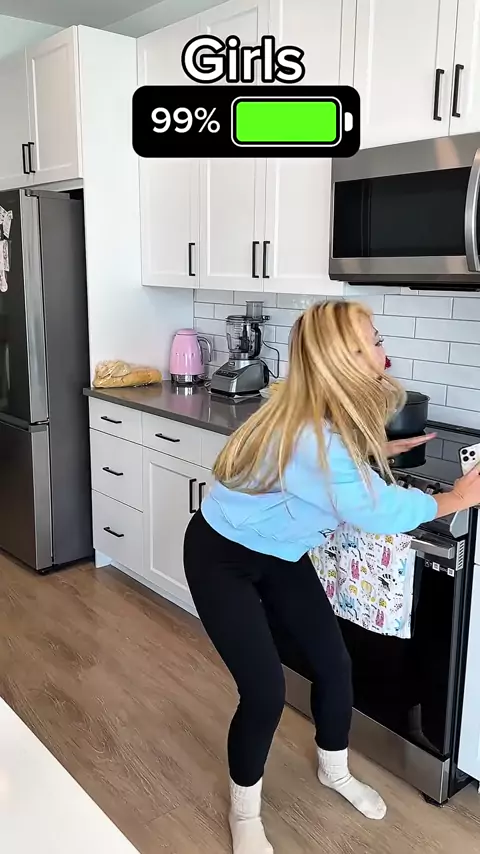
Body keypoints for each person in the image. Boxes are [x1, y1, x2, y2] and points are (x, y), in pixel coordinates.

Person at [183, 301, 480, 854]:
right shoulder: (309, 438)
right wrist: (457, 497)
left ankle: (334, 769)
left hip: (279, 552)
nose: (384, 351)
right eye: (375, 340)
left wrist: (378, 448)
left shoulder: (316, 410)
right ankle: (244, 812)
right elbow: (376, 509)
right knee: (265, 692)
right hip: (223, 557)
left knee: (334, 664)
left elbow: (331, 457)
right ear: (344, 357)